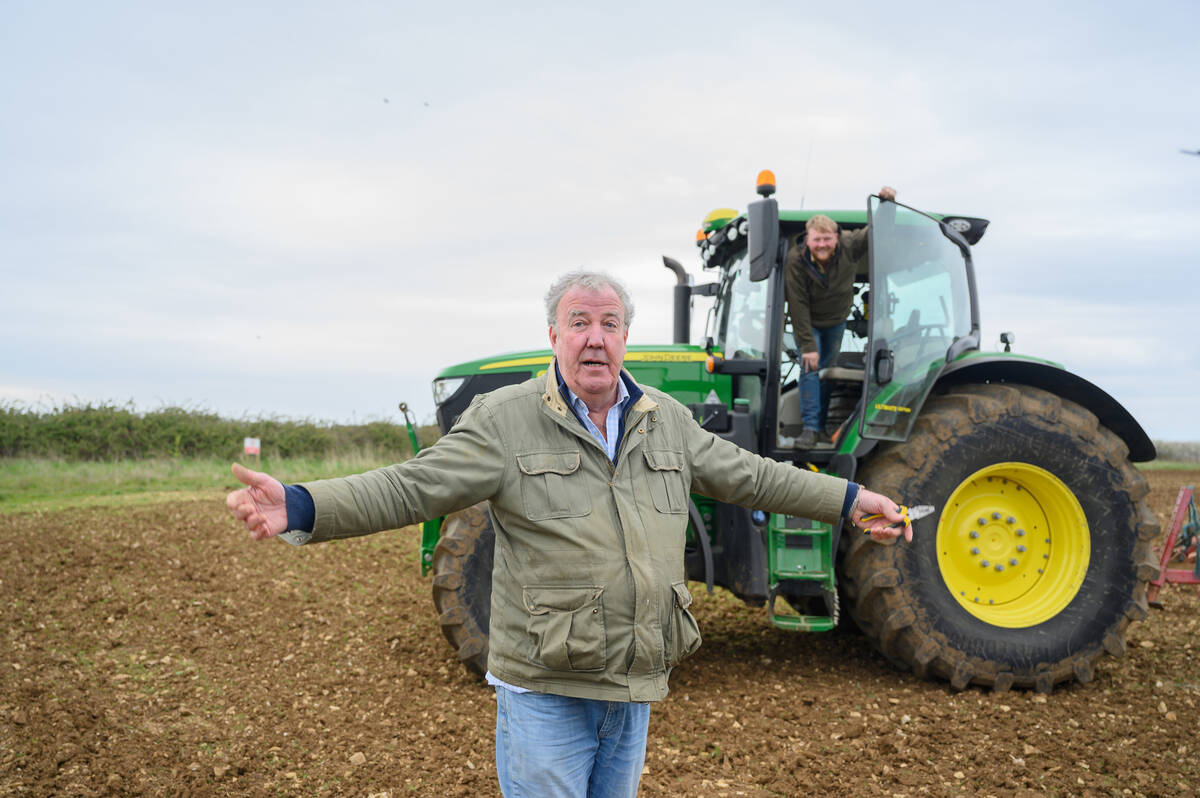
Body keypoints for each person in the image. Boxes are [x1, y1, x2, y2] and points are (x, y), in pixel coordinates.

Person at [226, 270, 913, 798]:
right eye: (578, 321)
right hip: (547, 687)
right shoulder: (506, 419)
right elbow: (413, 485)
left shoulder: (665, 419)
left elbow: (755, 478)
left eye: (609, 323)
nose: (595, 336)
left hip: (634, 685)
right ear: (554, 336)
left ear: (624, 339)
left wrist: (850, 499)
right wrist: (302, 504)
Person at [784, 186, 897, 448]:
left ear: (836, 237)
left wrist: (887, 205)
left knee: (827, 373)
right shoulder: (795, 261)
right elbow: (797, 304)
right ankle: (811, 430)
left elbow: (877, 231)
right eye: (817, 240)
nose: (822, 245)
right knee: (810, 368)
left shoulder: (850, 245)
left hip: (836, 321)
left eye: (827, 239)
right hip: (810, 321)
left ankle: (822, 428)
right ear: (808, 239)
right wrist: (808, 346)